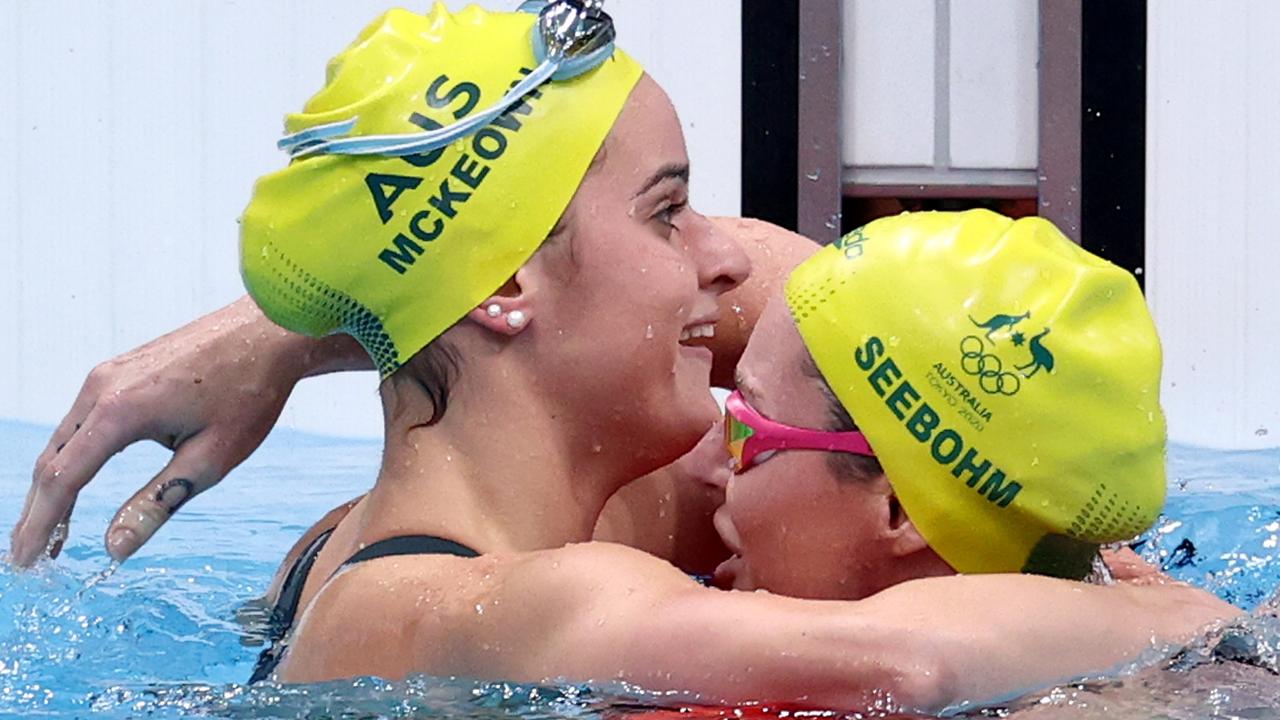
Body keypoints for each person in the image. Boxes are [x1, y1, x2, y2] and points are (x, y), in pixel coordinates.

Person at [6, 3, 1238, 712]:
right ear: (501, 288)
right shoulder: (479, 602)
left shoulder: (591, 499)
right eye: (666, 211)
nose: (716, 259)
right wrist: (1188, 620)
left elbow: (844, 320)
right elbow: (897, 663)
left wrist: (289, 329)